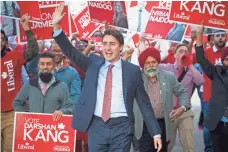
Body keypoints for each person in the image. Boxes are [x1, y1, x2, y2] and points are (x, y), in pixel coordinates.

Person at [52, 3, 162, 152]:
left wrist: (156, 132)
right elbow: (71, 53)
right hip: (96, 126)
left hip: (122, 127)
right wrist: (57, 28)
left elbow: (144, 103)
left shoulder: (132, 71)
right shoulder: (93, 63)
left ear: (121, 47)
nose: (107, 48)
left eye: (112, 44)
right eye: (104, 44)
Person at [132, 47, 189, 152]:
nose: (151, 65)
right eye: (147, 62)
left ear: (158, 62)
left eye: (153, 62)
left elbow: (182, 92)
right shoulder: (136, 78)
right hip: (143, 126)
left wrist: (183, 107)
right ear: (143, 64)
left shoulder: (168, 77)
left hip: (163, 125)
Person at [1, 14, 39, 152]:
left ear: (5, 42)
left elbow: (34, 50)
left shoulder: (15, 56)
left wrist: (26, 28)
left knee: (9, 148)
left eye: (1, 39)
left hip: (11, 114)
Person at [159, 44, 205, 152]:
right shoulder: (166, 68)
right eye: (180, 51)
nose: (183, 53)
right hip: (170, 112)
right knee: (167, 145)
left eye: (186, 51)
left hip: (185, 111)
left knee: (188, 145)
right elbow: (148, 66)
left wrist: (190, 65)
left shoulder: (191, 71)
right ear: (174, 55)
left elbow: (201, 81)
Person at [195, 23, 228, 152]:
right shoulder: (216, 71)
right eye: (226, 59)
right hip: (217, 123)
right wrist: (198, 35)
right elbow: (201, 59)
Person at [13, 52, 74, 118]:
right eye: (42, 64)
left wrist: (62, 111)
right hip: (33, 125)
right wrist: (26, 114)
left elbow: (70, 107)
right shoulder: (30, 84)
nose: (45, 67)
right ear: (38, 65)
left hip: (52, 125)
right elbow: (17, 103)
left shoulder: (62, 86)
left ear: (54, 66)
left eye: (48, 64)